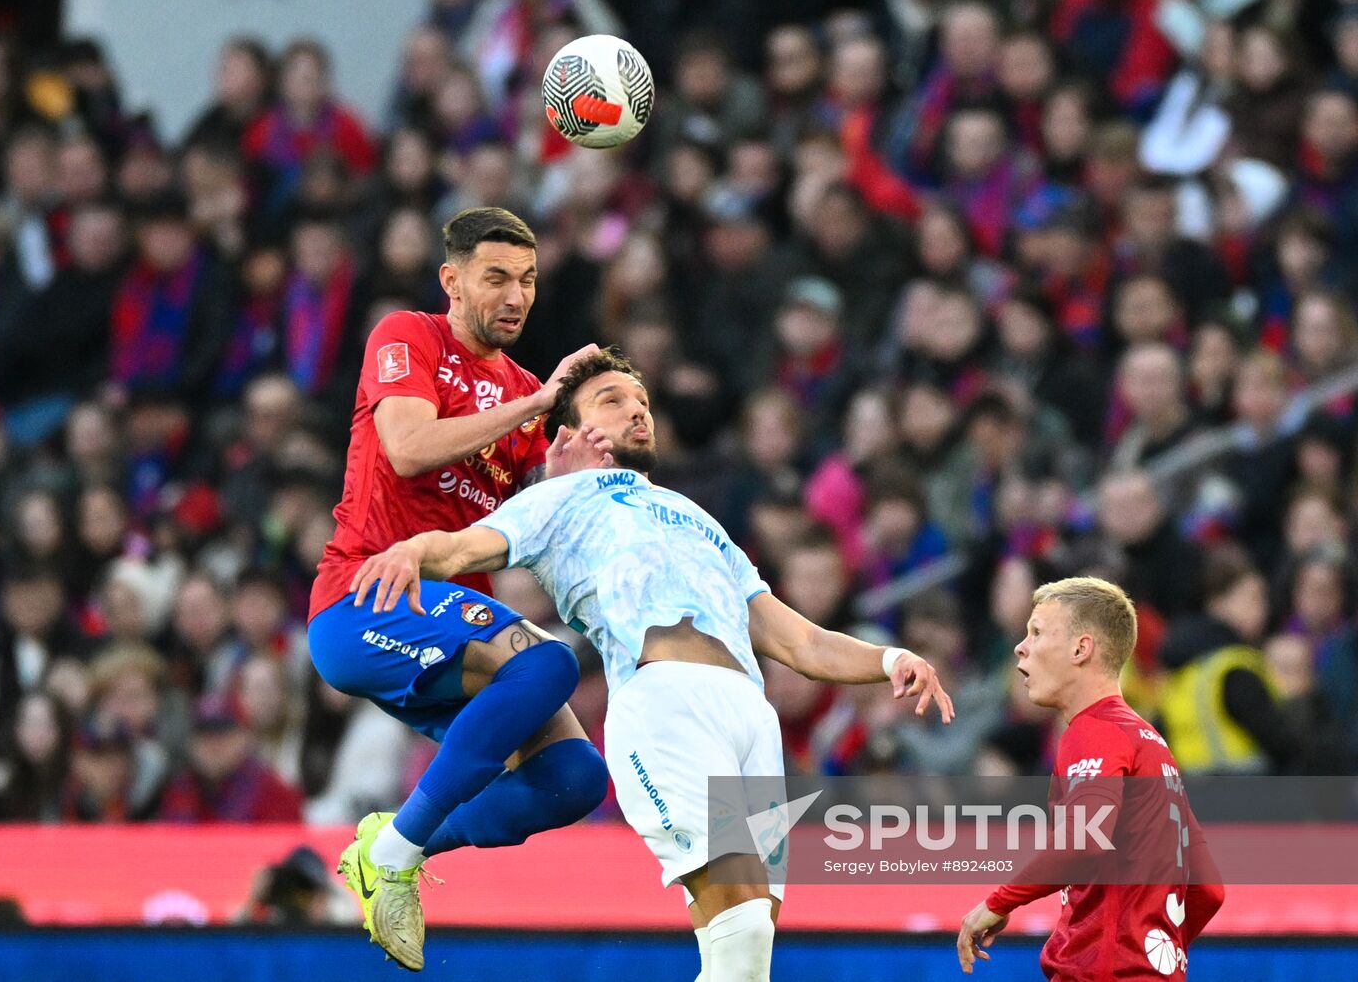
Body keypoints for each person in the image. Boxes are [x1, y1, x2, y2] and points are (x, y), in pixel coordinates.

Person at [348, 349, 956, 982]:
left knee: (744, 958)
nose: (637, 408)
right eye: (612, 400)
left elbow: (798, 642)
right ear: (570, 434)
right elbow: (465, 546)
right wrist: (412, 551)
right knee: (742, 928)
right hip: (668, 708)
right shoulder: (559, 501)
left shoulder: (696, 516)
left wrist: (888, 658)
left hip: (753, 719)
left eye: (640, 399)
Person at [306, 206, 609, 971]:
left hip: (446, 625)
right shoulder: (408, 337)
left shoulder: (522, 395)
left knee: (575, 778)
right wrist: (537, 406)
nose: (516, 296)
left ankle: (392, 842)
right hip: (363, 599)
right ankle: (400, 855)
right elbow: (406, 449)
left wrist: (575, 476)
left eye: (529, 281)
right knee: (547, 663)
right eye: (497, 277)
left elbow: (536, 524)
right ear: (453, 280)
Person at [956, 577, 1225, 979]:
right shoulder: (1150, 742)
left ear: (1081, 649)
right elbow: (1208, 888)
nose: (1020, 646)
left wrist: (999, 901)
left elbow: (1084, 837)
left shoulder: (1093, 731)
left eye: (1037, 632)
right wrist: (1152, 952)